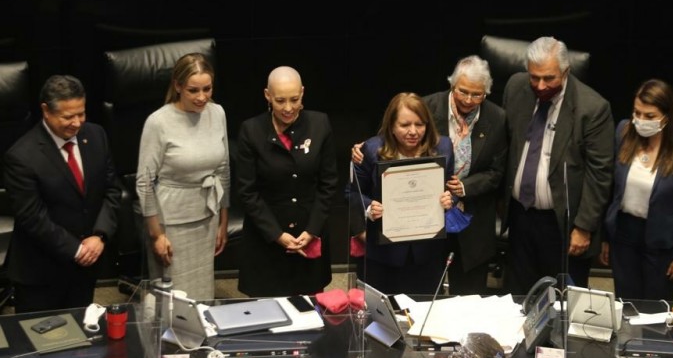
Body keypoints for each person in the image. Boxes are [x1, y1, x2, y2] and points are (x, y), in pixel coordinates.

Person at [503, 36, 614, 293]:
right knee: (517, 297)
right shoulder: (516, 87)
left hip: (563, 224)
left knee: (562, 300)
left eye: (549, 78)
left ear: (566, 72)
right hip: (520, 217)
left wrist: (584, 227)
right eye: (534, 77)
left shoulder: (592, 108)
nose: (540, 86)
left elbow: (600, 174)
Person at [4, 75, 121, 313]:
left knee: (80, 330)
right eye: (68, 117)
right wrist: (77, 250)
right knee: (39, 334)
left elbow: (112, 189)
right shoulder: (22, 156)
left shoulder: (96, 136)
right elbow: (33, 218)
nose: (77, 123)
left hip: (85, 267)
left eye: (81, 113)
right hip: (41, 273)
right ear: (46, 111)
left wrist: (100, 236)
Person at [600, 79, 673, 301]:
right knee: (625, 304)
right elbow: (610, 188)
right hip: (624, 234)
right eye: (637, 113)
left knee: (655, 309)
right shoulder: (624, 131)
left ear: (667, 116)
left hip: (663, 240)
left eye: (650, 116)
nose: (641, 120)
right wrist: (605, 238)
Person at [236, 66, 337, 297]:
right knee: (267, 313)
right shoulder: (251, 130)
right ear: (267, 95)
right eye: (280, 101)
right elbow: (247, 191)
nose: (288, 108)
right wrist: (277, 235)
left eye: (294, 99)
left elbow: (329, 183)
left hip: (308, 233)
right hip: (266, 238)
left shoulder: (320, 124)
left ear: (302, 93)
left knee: (310, 311)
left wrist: (312, 230)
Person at [136, 54, 230, 301]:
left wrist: (223, 221)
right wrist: (157, 234)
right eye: (193, 90)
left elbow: (223, 169)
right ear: (178, 86)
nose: (202, 97)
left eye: (207, 89)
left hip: (207, 216)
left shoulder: (217, 113)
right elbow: (144, 182)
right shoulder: (158, 122)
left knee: (202, 295)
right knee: (174, 300)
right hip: (171, 223)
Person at [352, 92, 455, 295]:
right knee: (383, 310)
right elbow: (352, 193)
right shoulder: (371, 149)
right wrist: (369, 207)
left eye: (420, 124)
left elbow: (451, 187)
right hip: (383, 253)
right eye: (405, 125)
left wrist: (449, 198)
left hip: (427, 252)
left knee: (423, 309)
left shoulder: (443, 146)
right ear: (391, 126)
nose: (413, 131)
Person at [423, 56, 508, 295]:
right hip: (429, 214)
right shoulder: (427, 108)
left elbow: (497, 171)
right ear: (452, 84)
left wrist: (465, 187)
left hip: (473, 219)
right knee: (426, 295)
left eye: (477, 94)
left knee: (469, 298)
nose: (469, 100)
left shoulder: (497, 118)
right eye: (463, 92)